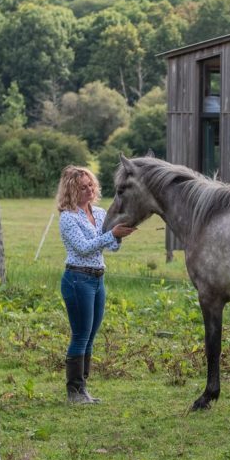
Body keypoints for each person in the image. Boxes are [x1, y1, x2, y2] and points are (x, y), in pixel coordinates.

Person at [55, 165, 136, 404]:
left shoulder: (100, 213)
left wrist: (119, 235)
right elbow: (83, 247)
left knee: (90, 336)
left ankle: (83, 390)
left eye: (91, 185)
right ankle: (74, 391)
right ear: (72, 190)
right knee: (80, 335)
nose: (90, 190)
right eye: (83, 187)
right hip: (78, 279)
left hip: (98, 279)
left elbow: (110, 246)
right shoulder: (67, 218)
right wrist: (112, 234)